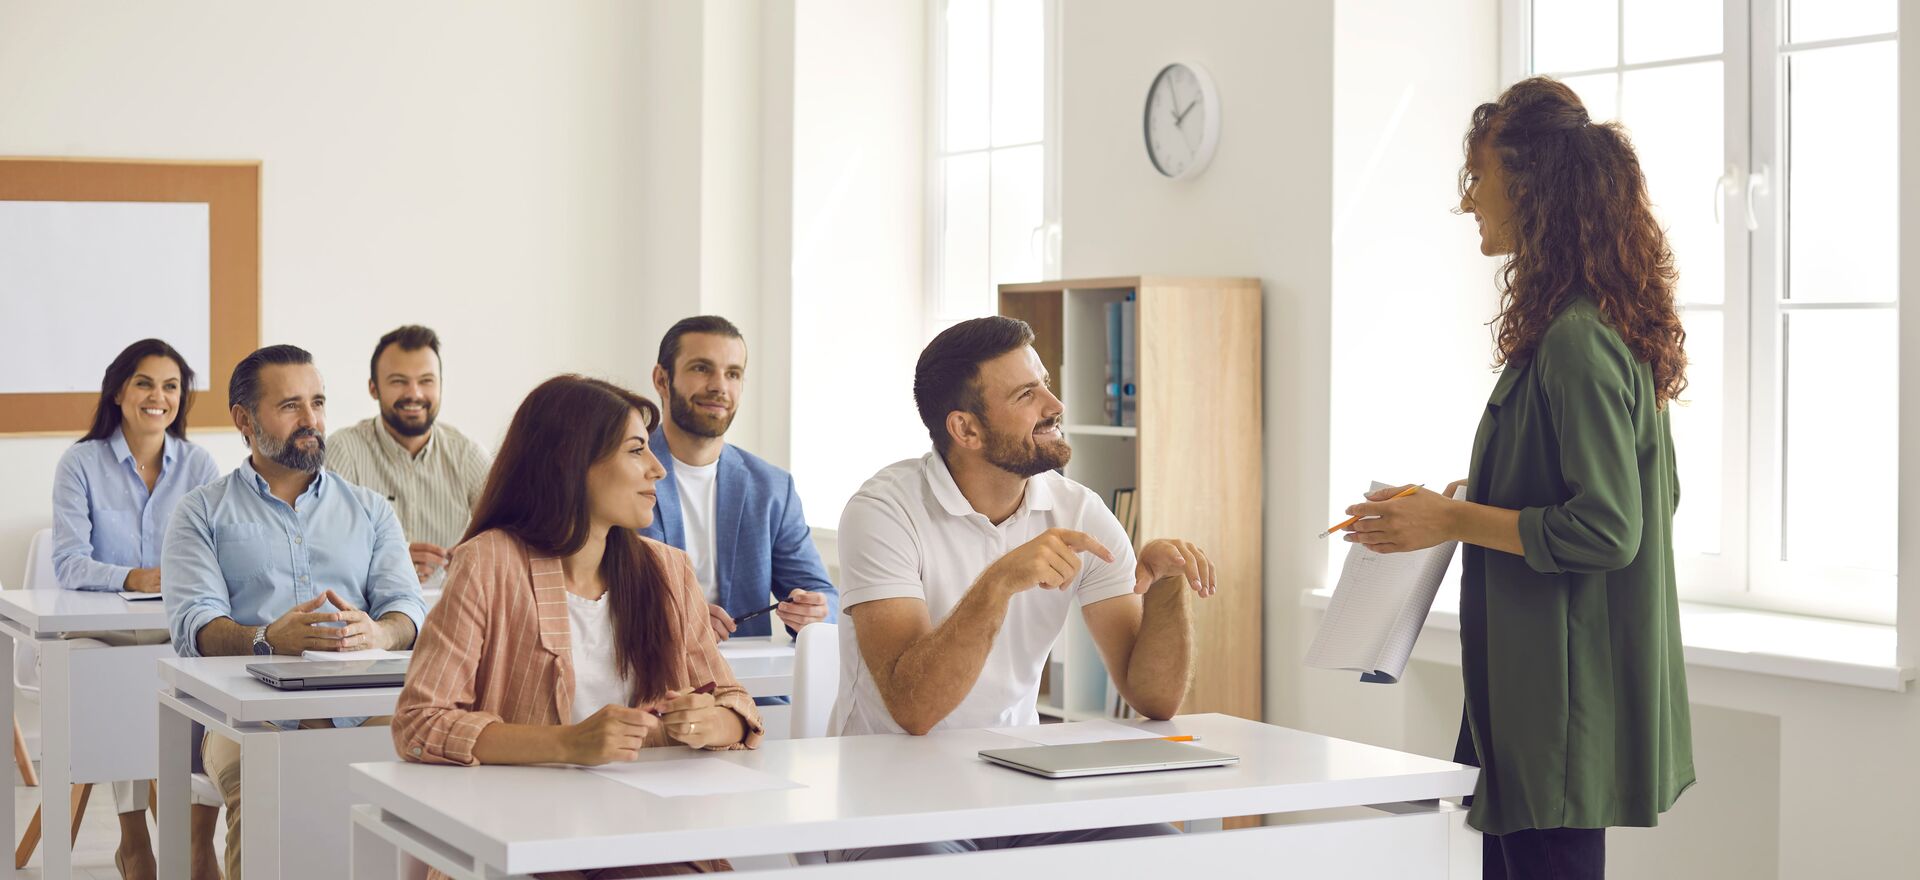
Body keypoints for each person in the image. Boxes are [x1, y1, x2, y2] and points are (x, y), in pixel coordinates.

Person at [1340, 77, 1695, 880]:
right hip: (1534, 693)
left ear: (1531, 187)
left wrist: (1453, 522)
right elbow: (1638, 494)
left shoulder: (1577, 339)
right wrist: (1468, 500)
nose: (1468, 200)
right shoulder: (1593, 326)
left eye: (1479, 178)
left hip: (1555, 708)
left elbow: (1611, 528)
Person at [827, 316, 1217, 861]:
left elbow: (1154, 699)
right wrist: (1000, 581)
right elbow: (914, 710)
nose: (1055, 405)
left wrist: (1166, 589)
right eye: (1026, 395)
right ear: (966, 430)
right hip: (886, 797)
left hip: (1017, 789)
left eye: (1046, 384)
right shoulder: (883, 512)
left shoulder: (1078, 509)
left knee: (1171, 857)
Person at [394, 375, 761, 878]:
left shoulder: (668, 571)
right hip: (516, 835)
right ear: (574, 462)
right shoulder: (487, 563)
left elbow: (737, 706)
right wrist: (570, 743)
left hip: (645, 831)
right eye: (636, 450)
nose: (657, 468)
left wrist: (705, 722)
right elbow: (420, 724)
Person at [162, 344, 426, 880]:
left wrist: (380, 633)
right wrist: (266, 638)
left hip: (362, 709)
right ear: (244, 420)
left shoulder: (371, 510)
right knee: (266, 788)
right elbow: (195, 628)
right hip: (247, 717)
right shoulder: (201, 512)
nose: (311, 420)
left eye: (318, 403)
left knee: (426, 784)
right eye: (290, 406)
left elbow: (407, 609)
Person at [50, 338, 222, 879]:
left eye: (171, 386)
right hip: (108, 631)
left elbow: (217, 553)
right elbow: (68, 563)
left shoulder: (198, 464)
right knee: (121, 672)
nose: (158, 396)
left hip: (174, 627)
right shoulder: (81, 462)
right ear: (119, 391)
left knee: (210, 669)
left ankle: (197, 841)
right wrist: (132, 577)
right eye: (145, 383)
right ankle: (134, 839)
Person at [641, 316, 836, 642]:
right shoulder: (620, 473)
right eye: (701, 368)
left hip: (747, 673)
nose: (719, 386)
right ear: (662, 380)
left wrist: (815, 612)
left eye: (733, 374)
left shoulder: (773, 488)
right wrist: (676, 617)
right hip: (647, 667)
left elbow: (824, 595)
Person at [326, 325, 491, 587]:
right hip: (368, 606)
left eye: (426, 381)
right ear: (373, 388)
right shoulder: (343, 450)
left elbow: (504, 537)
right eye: (398, 381)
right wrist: (389, 559)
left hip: (449, 604)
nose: (414, 393)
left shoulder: (468, 456)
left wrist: (471, 558)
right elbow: (322, 545)